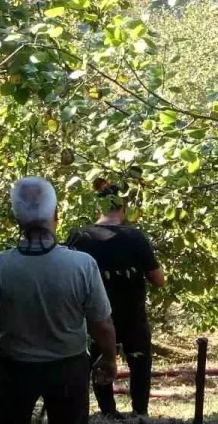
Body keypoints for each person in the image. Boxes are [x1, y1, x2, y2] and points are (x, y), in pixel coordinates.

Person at [0, 177, 119, 424]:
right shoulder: (82, 264)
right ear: (56, 214)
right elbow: (103, 324)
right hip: (68, 367)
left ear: (17, 218)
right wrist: (108, 358)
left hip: (15, 368)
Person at [67, 177, 165, 418]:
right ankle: (140, 412)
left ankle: (108, 412)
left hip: (93, 316)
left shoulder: (79, 237)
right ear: (123, 206)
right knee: (139, 361)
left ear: (99, 207)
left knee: (98, 358)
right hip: (131, 314)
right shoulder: (135, 237)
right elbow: (158, 279)